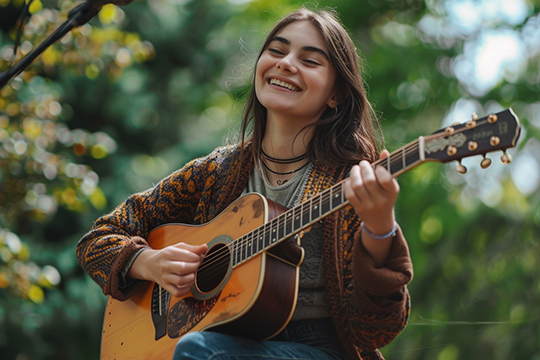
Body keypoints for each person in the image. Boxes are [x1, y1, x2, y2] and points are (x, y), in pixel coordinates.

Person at [77, 7, 413, 360]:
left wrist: (379, 231)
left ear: (336, 94)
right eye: (277, 50)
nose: (286, 63)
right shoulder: (216, 172)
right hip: (222, 340)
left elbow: (376, 329)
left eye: (310, 60)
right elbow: (97, 240)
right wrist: (150, 262)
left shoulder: (352, 182)